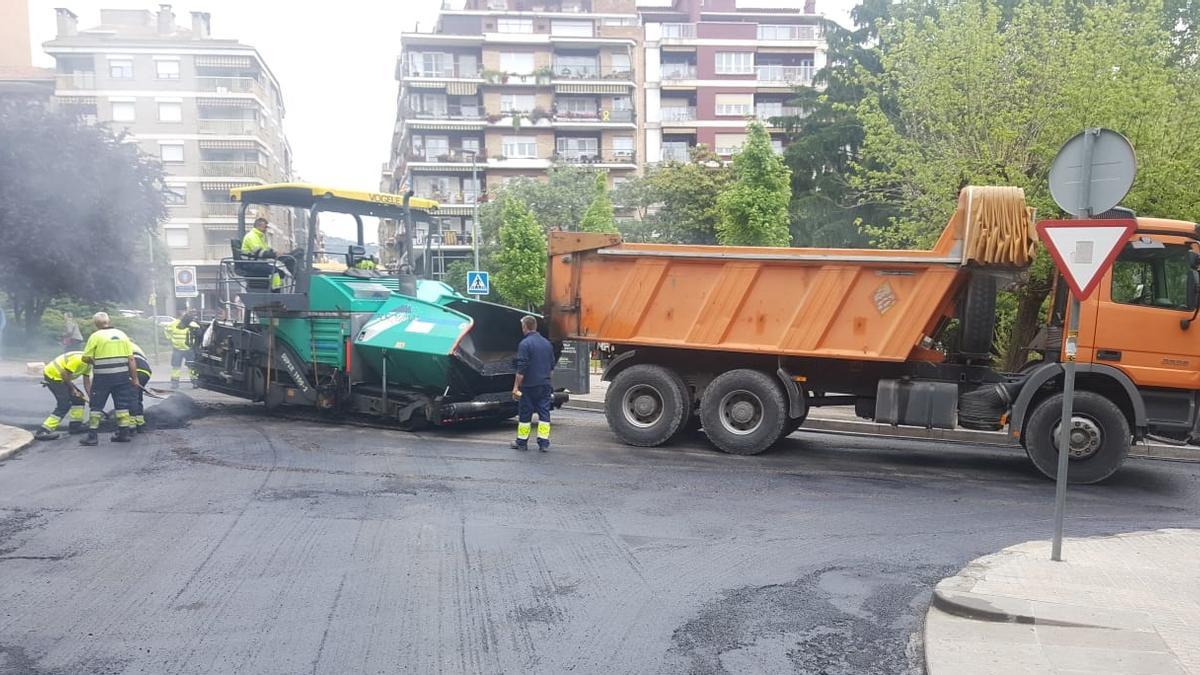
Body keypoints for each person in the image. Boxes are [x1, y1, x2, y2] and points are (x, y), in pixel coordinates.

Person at [79, 312, 137, 446]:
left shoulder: (95, 336)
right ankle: (124, 434)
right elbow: (131, 359)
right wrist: (134, 378)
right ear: (109, 322)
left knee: (96, 406)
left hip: (102, 378)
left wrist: (94, 360)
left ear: (96, 324)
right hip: (122, 376)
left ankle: (92, 437)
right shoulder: (122, 335)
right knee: (122, 406)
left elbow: (85, 357)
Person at [510, 315, 556, 452]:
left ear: (525, 327)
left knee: (525, 414)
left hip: (529, 386)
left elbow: (521, 368)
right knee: (544, 413)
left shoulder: (525, 344)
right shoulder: (547, 344)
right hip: (545, 384)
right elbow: (551, 367)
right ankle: (543, 443)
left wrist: (516, 386)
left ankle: (522, 443)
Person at [35, 350, 91, 440]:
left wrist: (92, 398)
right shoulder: (78, 359)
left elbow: (87, 382)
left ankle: (75, 426)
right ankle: (43, 431)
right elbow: (64, 374)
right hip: (53, 376)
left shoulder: (89, 364)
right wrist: (72, 389)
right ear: (92, 357)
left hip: (63, 377)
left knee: (79, 399)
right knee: (64, 404)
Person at [241, 217, 283, 291]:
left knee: (280, 271)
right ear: (259, 226)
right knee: (274, 270)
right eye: (265, 227)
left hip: (257, 262)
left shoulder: (260, 237)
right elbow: (259, 253)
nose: (266, 229)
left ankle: (273, 289)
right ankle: (276, 291)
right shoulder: (251, 236)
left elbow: (267, 249)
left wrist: (277, 253)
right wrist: (274, 255)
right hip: (250, 264)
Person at [163, 310, 198, 389]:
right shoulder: (191, 323)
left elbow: (166, 330)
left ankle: (175, 384)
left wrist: (170, 338)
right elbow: (198, 330)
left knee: (176, 367)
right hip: (189, 349)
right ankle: (195, 382)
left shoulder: (172, 324)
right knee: (191, 366)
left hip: (177, 348)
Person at [129, 341, 152, 433]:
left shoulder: (120, 346)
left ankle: (131, 425)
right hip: (146, 372)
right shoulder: (136, 346)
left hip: (134, 370)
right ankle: (140, 423)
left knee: (130, 397)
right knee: (137, 396)